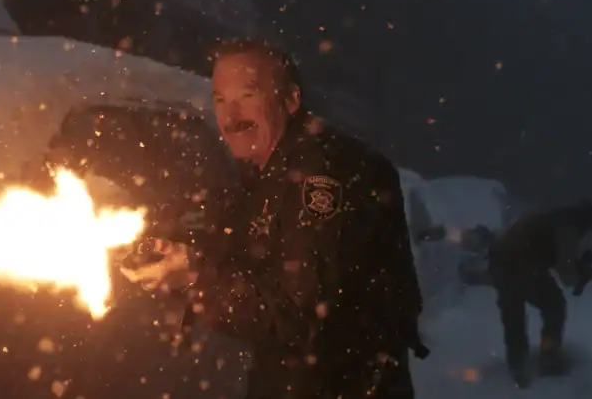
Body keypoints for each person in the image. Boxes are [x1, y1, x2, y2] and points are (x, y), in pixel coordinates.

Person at [119, 40, 425, 398]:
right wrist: (167, 250)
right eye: (220, 100)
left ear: (291, 100)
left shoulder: (325, 173)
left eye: (247, 97)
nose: (230, 118)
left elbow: (301, 315)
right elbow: (237, 247)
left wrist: (193, 275)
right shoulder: (266, 173)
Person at [486, 199, 592, 388]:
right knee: (554, 306)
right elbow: (566, 273)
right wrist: (581, 271)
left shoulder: (550, 218)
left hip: (501, 260)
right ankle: (549, 357)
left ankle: (517, 365)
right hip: (522, 264)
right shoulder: (567, 228)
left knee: (513, 315)